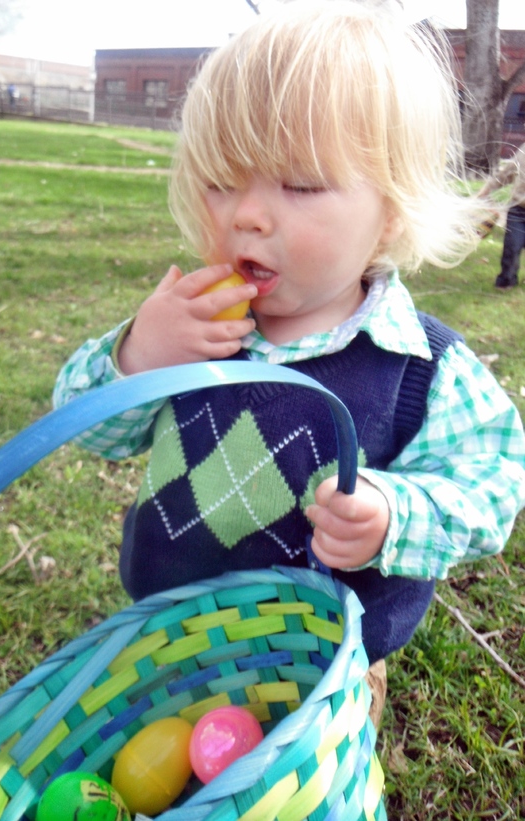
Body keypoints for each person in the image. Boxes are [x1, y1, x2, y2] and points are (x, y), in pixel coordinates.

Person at [53, 1, 525, 676]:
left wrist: (395, 514)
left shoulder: (421, 367)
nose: (246, 214)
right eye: (220, 182)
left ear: (391, 212)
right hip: (169, 645)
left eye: (300, 184)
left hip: (322, 672)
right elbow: (86, 430)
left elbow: (492, 483)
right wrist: (138, 358)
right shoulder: (194, 328)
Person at [479, 142, 525, 288]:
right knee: (512, 246)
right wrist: (486, 190)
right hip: (518, 209)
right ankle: (506, 281)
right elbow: (506, 174)